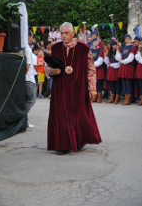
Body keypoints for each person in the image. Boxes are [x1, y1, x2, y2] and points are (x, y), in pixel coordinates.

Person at [47, 22, 101, 155]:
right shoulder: (55, 48)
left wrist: (92, 88)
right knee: (61, 115)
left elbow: (90, 69)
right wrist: (51, 71)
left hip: (79, 87)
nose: (63, 36)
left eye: (66, 33)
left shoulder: (83, 49)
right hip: (60, 88)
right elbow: (47, 66)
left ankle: (79, 140)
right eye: (62, 33)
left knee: (79, 116)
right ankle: (63, 144)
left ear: (73, 33)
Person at [116, 34, 136, 105]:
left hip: (129, 67)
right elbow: (118, 58)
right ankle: (126, 98)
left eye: (128, 38)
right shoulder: (123, 48)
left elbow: (130, 58)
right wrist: (118, 51)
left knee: (128, 83)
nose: (127, 40)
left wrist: (122, 61)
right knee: (124, 83)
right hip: (123, 67)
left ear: (130, 39)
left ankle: (129, 99)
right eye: (126, 39)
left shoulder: (133, 47)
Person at [25, 30, 36, 127]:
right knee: (32, 100)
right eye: (32, 37)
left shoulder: (23, 48)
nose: (32, 39)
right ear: (28, 37)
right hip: (28, 79)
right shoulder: (28, 49)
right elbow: (27, 67)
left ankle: (23, 120)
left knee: (26, 101)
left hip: (25, 79)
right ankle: (22, 119)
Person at [91, 37, 104, 103]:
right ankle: (94, 97)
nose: (95, 43)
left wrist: (92, 65)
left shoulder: (101, 50)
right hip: (92, 70)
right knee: (94, 84)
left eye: (96, 42)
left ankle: (99, 97)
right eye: (93, 42)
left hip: (98, 69)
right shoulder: (91, 50)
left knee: (99, 83)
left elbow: (100, 61)